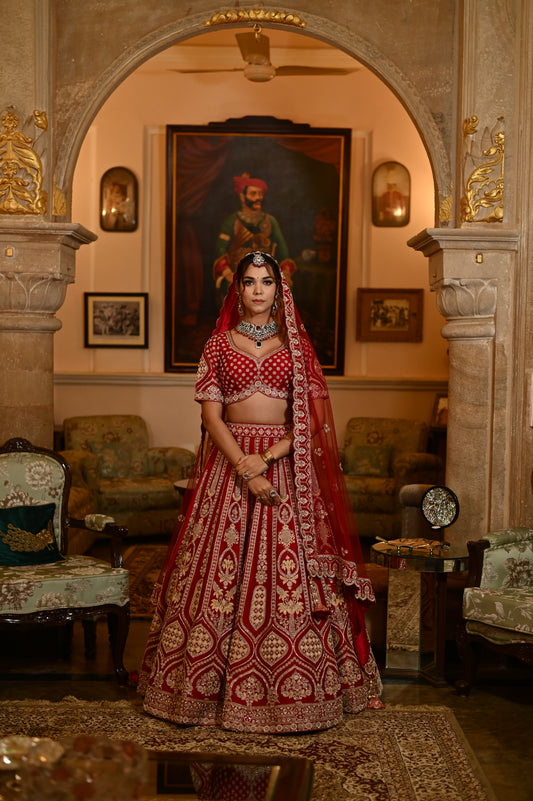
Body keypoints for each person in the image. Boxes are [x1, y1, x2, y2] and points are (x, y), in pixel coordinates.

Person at [138, 251, 382, 733]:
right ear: (237, 289)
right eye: (248, 282)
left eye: (265, 282)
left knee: (289, 574)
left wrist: (266, 460)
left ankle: (296, 691)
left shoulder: (296, 348)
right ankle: (203, 695)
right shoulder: (217, 346)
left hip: (284, 469)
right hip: (227, 469)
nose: (256, 290)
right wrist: (245, 469)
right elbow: (212, 417)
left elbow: (309, 422)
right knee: (214, 577)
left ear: (279, 289)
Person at [213, 173, 296, 301]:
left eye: (260, 194)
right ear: (242, 197)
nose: (259, 198)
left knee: (283, 289)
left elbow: (282, 248)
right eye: (253, 194)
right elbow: (220, 249)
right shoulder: (232, 221)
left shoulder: (270, 221)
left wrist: (285, 272)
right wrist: (227, 272)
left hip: (266, 273)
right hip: (239, 272)